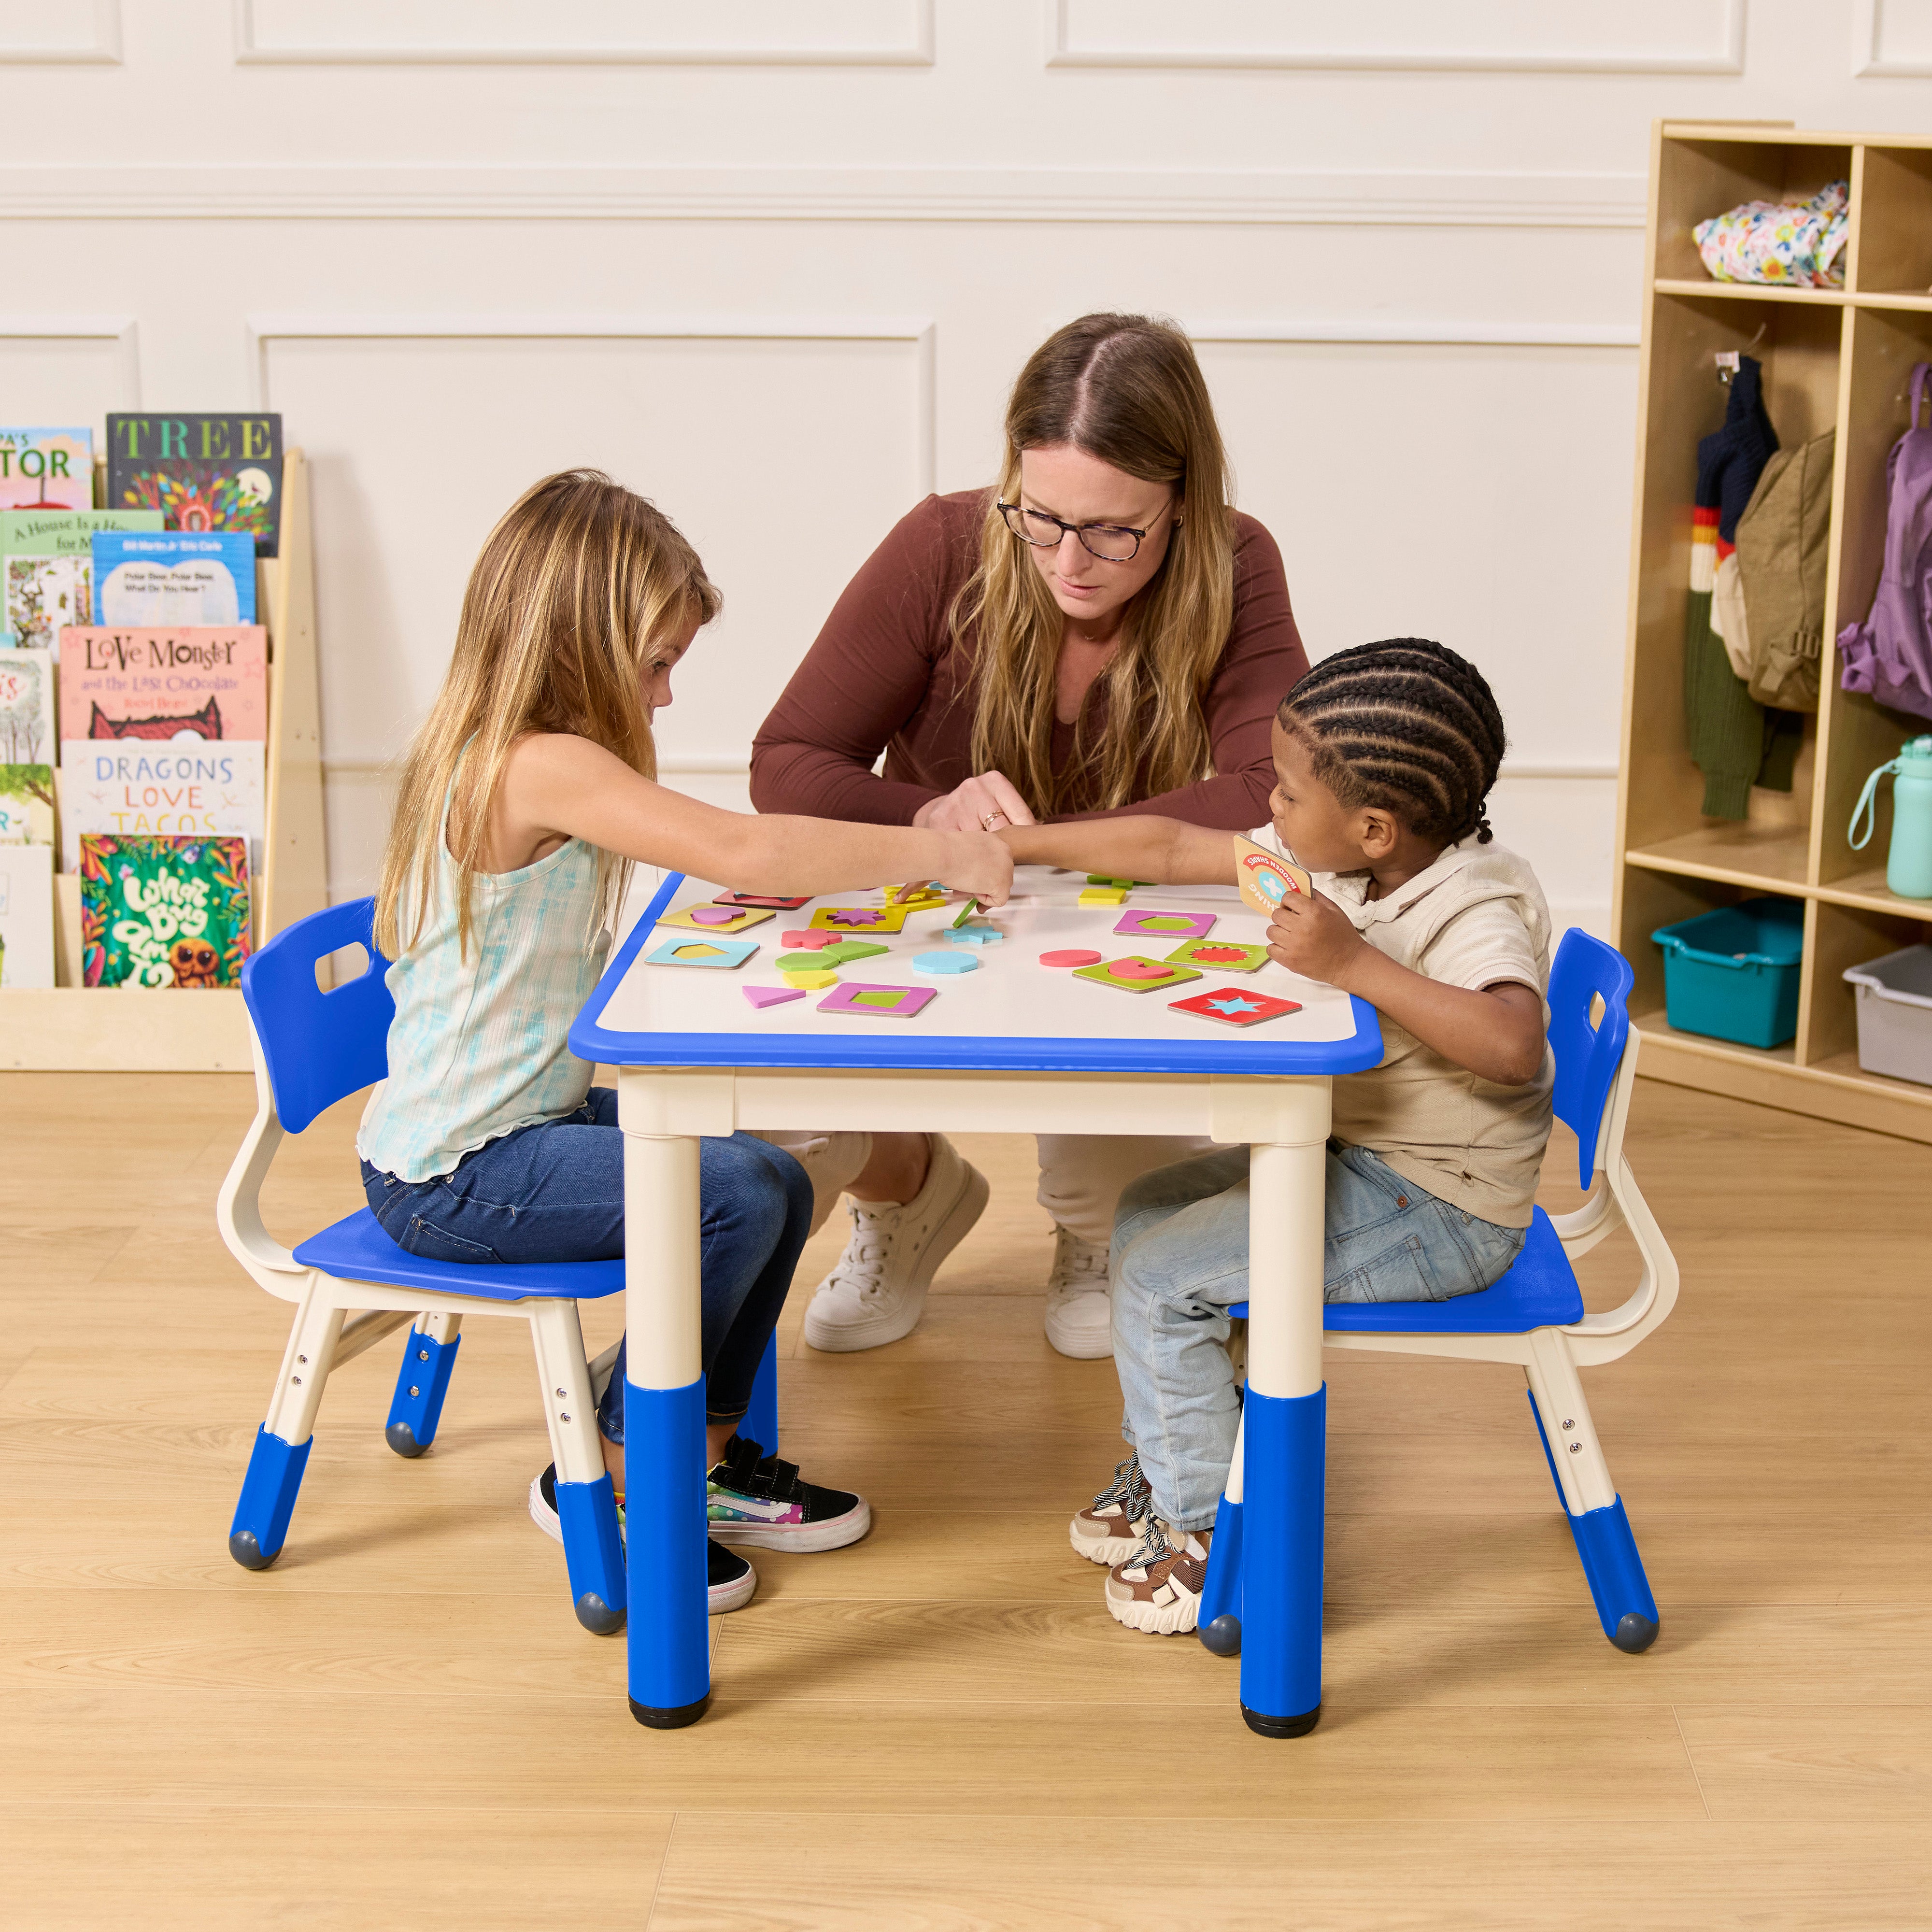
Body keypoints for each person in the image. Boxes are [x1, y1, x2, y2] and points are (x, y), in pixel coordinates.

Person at [355, 470, 1012, 1614]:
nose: (662, 697)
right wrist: (933, 850)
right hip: (459, 1170)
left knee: (766, 1166)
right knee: (739, 1193)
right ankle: (622, 1474)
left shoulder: (514, 746)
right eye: (653, 664)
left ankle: (687, 1453)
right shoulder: (534, 761)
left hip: (520, 1126)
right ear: (578, 642)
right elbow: (745, 852)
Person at [751, 313, 1312, 1360]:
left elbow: (1269, 796)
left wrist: (1032, 839)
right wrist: (924, 818)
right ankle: (910, 1201)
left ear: (1181, 502)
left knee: (1111, 1187)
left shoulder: (1237, 559)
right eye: (1040, 517)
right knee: (793, 1131)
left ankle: (1098, 1233)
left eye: (1114, 529)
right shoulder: (941, 543)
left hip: (1115, 938)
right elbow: (785, 762)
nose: (1070, 559)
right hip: (934, 916)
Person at [999, 639, 1554, 1636]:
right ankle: (1171, 1465)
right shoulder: (1347, 859)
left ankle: (1206, 1534)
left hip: (1443, 1206)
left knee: (1162, 1277)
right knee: (1142, 1212)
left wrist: (1352, 963)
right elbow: (1176, 849)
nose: (1272, 812)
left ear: (1373, 826)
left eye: (1289, 795)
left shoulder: (1473, 901)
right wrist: (1027, 842)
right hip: (1369, 1164)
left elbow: (1512, 1042)